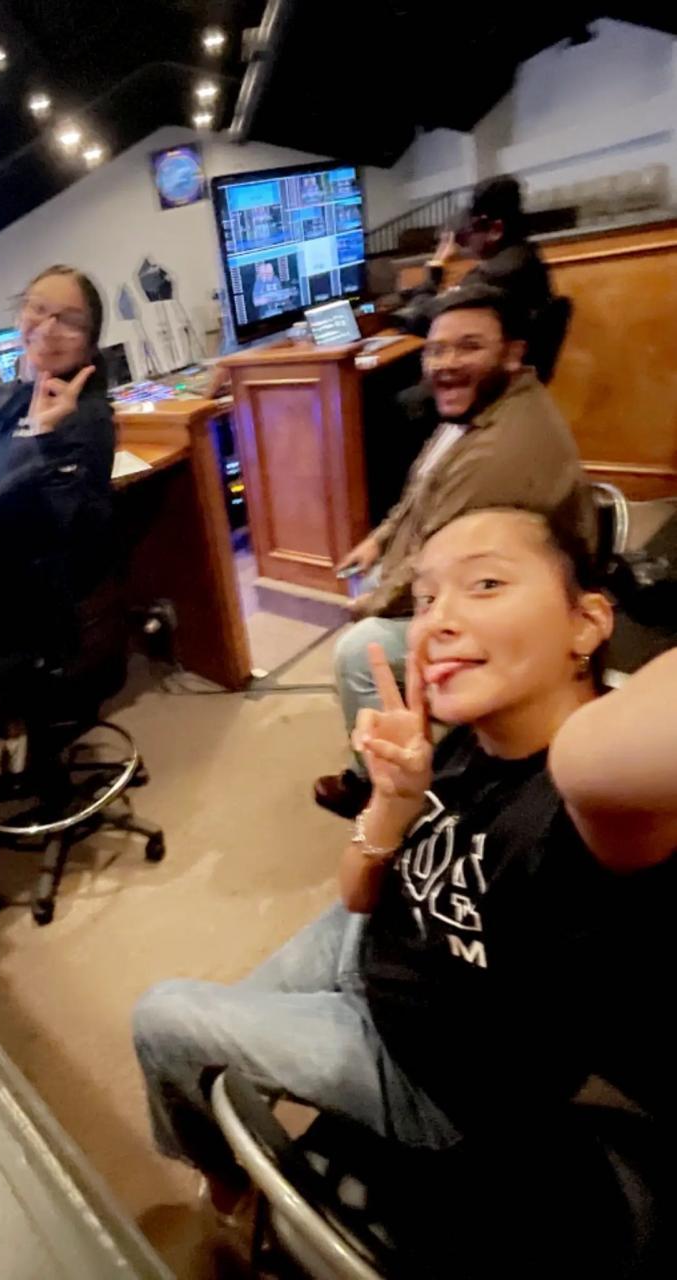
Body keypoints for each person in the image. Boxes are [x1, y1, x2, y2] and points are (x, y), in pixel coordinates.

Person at [133, 504, 675, 1273]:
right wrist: (393, 799)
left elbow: (611, 753)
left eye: (484, 584)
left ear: (586, 622)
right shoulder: (471, 745)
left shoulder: (597, 807)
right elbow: (357, 896)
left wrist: (593, 738)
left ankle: (224, 1179)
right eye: (424, 598)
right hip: (381, 942)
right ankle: (237, 1129)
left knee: (163, 1019)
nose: (435, 622)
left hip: (424, 1078)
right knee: (212, 1041)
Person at [315, 280, 590, 818]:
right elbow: (421, 489)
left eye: (469, 347)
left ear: (512, 354)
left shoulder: (498, 450)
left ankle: (384, 787)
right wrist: (378, 540)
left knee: (359, 650)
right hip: (470, 571)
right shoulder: (473, 412)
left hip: (511, 604)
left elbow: (434, 569)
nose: (445, 363)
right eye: (437, 350)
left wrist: (369, 606)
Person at [0, 264, 115, 774]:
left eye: (69, 320)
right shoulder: (2, 401)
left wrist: (44, 437)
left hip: (22, 602)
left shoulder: (86, 418)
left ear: (89, 343)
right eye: (38, 308)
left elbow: (58, 522)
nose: (48, 327)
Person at [393, 174, 552, 343]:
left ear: (495, 230)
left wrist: (436, 265)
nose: (465, 243)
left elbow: (417, 320)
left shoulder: (489, 280)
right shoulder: (527, 259)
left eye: (468, 233)